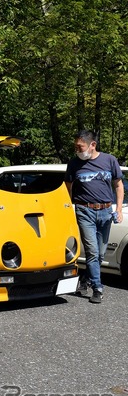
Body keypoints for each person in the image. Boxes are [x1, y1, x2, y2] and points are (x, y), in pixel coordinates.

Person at [65, 129, 124, 304]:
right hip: (84, 211)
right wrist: (69, 207)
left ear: (92, 145)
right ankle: (98, 288)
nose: (77, 150)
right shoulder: (74, 163)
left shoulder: (109, 160)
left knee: (100, 254)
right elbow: (67, 187)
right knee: (92, 252)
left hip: (106, 211)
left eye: (80, 146)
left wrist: (119, 209)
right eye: (75, 147)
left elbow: (119, 185)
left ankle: (85, 278)